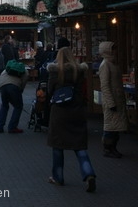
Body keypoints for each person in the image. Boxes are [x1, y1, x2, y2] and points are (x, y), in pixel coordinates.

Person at [46, 47, 96, 192]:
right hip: (77, 110)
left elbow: (50, 91)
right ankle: (89, 174)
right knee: (79, 146)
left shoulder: (55, 72)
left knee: (57, 146)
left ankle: (58, 177)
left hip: (60, 112)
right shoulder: (79, 71)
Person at [98, 41, 128, 158]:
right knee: (111, 126)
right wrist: (111, 102)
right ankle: (108, 148)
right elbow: (104, 85)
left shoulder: (112, 63)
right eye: (113, 49)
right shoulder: (105, 64)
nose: (115, 51)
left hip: (117, 98)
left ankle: (113, 148)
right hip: (112, 100)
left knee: (116, 126)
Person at [0, 60, 28, 134]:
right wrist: (21, 90)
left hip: (2, 86)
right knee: (18, 106)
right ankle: (12, 127)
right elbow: (24, 81)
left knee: (4, 105)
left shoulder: (7, 69)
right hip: (14, 87)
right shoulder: (24, 70)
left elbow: (1, 77)